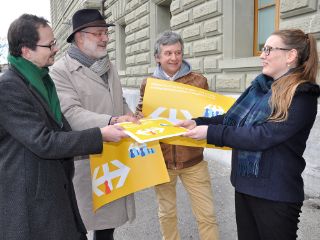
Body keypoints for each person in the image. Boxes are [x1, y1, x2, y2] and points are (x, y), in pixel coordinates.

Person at [178, 29, 320, 240]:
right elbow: (231, 119)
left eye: (269, 49)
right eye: (263, 49)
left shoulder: (301, 95)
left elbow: (261, 136)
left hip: (275, 194)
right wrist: (197, 122)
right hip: (245, 186)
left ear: (290, 56)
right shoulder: (260, 88)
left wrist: (210, 133)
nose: (262, 55)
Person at [0, 14, 128, 240]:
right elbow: (44, 141)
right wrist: (101, 134)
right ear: (26, 51)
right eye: (50, 45)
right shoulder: (9, 88)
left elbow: (61, 127)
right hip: (33, 200)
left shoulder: (41, 79)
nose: (56, 49)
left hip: (55, 188)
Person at [50, 9, 137, 240]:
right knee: (82, 221)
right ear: (80, 37)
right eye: (98, 33)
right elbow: (70, 113)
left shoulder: (108, 66)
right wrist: (111, 121)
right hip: (86, 158)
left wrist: (131, 117)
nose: (105, 38)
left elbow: (119, 101)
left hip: (114, 156)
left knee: (108, 225)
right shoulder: (60, 72)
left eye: (105, 33)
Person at [135, 31, 219, 240]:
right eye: (168, 53)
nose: (174, 58)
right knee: (167, 214)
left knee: (207, 215)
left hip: (193, 160)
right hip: (162, 161)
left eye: (178, 52)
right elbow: (142, 114)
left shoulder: (199, 81)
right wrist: (139, 117)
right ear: (158, 57)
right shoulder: (149, 84)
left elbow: (209, 115)